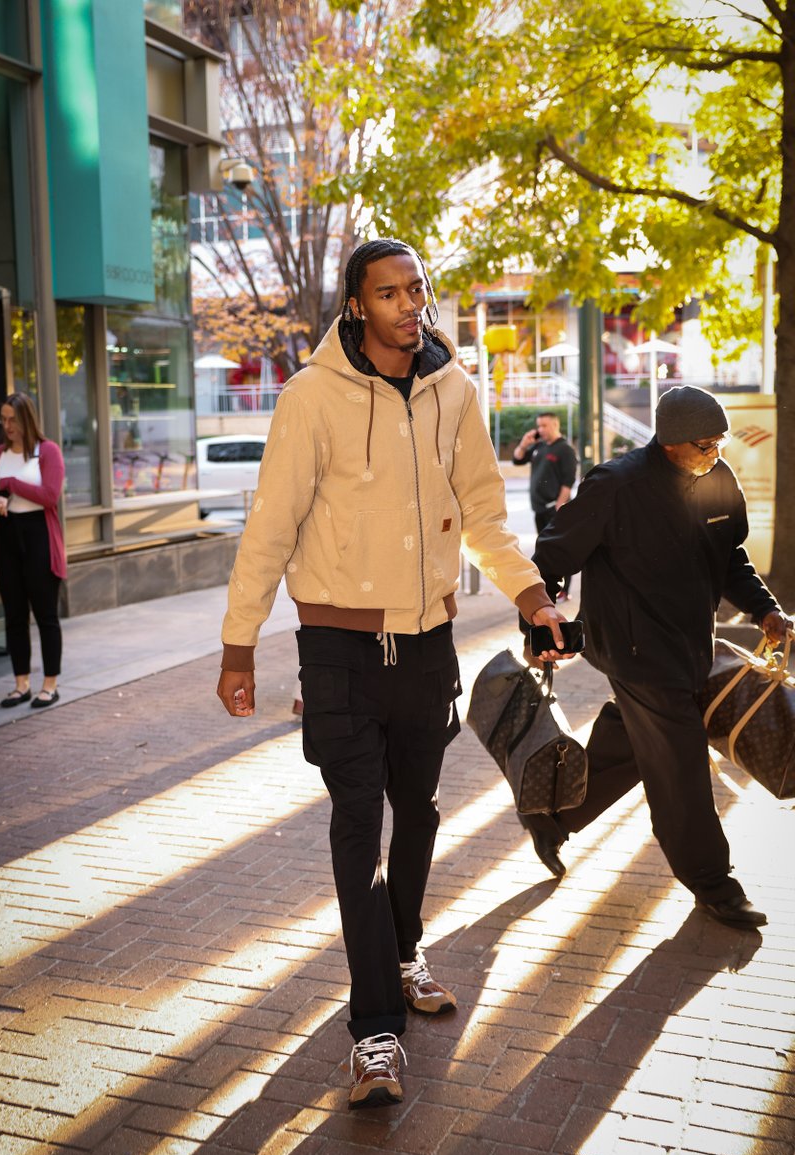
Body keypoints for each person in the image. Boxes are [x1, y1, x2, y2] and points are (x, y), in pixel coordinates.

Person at [216, 238, 567, 1109]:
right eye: (389, 293)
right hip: (339, 651)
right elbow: (270, 526)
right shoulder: (310, 397)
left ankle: (404, 952)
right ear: (355, 305)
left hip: (427, 644)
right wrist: (238, 643)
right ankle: (374, 1030)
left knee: (421, 812)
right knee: (356, 825)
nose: (410, 305)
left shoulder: (455, 390)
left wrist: (530, 595)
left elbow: (483, 512)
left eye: (417, 289)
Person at [520, 385, 792, 929]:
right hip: (634, 651)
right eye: (704, 445)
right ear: (670, 443)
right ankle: (712, 883)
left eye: (720, 442)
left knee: (632, 745)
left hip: (691, 644)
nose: (715, 453)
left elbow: (731, 557)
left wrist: (765, 608)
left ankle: (552, 819)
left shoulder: (717, 477)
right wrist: (539, 623)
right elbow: (552, 553)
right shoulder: (616, 485)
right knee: (680, 763)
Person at [0, 392, 66, 709]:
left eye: (13, 419)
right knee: (14, 615)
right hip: (6, 536)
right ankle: (21, 684)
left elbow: (50, 495)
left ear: (27, 419)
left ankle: (50, 685)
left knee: (46, 615)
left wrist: (9, 483)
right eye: (3, 419)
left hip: (39, 537)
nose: (7, 425)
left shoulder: (47, 451)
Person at [512, 411, 577, 599]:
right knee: (544, 550)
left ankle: (564, 590)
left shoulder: (565, 449)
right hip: (539, 509)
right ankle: (549, 588)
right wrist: (524, 444)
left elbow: (568, 480)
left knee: (560, 549)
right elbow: (517, 459)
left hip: (553, 509)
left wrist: (559, 505)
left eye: (544, 425)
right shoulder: (539, 446)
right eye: (539, 425)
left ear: (555, 425)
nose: (540, 429)